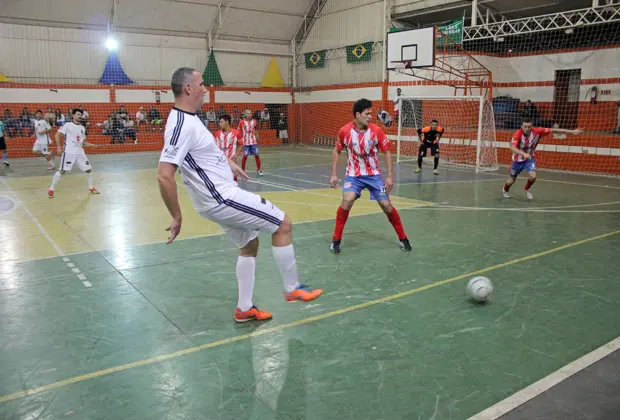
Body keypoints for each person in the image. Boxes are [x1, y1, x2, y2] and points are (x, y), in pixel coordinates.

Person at [157, 67, 323, 323]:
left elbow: (200, 154)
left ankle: (244, 309)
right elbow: (164, 174)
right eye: (201, 84)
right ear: (188, 88)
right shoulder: (180, 125)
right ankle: (293, 288)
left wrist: (227, 163)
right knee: (283, 224)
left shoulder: (188, 119)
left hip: (215, 197)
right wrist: (176, 216)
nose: (205, 89)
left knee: (249, 244)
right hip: (220, 197)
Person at [329, 98, 412, 254]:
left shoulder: (376, 131)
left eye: (371, 113)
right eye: (367, 114)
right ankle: (336, 240)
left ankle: (403, 239)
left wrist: (390, 177)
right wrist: (334, 174)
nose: (370, 117)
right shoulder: (345, 131)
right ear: (358, 114)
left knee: (387, 206)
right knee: (347, 201)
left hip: (374, 176)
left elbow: (387, 152)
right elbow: (336, 150)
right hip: (353, 176)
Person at [503, 119, 582, 200]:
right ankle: (505, 190)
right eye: (525, 127)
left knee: (533, 177)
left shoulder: (537, 131)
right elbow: (512, 147)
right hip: (517, 160)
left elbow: (554, 130)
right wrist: (523, 154)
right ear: (521, 127)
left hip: (529, 159)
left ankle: (527, 189)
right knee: (512, 180)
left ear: (532, 127)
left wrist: (572, 132)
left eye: (529, 127)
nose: (527, 128)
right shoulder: (518, 134)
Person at [48, 109, 101, 198]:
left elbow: (83, 143)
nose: (80, 116)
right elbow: (57, 135)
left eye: (81, 115)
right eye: (78, 114)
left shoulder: (82, 128)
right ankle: (51, 189)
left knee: (88, 169)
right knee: (62, 170)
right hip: (69, 152)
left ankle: (91, 187)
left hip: (80, 152)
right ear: (73, 115)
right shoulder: (67, 125)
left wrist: (93, 145)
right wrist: (58, 147)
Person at [214, 115, 243, 181]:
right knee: (221, 180)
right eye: (219, 122)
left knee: (233, 180)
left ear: (227, 122)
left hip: (232, 161)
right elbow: (215, 147)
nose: (219, 124)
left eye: (221, 122)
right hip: (221, 161)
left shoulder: (236, 133)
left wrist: (236, 155)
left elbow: (241, 144)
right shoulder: (217, 133)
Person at [238, 109, 263, 176]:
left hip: (253, 142)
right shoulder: (241, 122)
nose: (250, 114)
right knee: (245, 156)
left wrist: (257, 136)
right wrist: (239, 140)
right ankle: (243, 171)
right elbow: (239, 131)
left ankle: (259, 170)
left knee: (257, 155)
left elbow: (256, 130)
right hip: (245, 142)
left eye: (250, 113)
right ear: (245, 115)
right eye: (248, 113)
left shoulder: (254, 121)